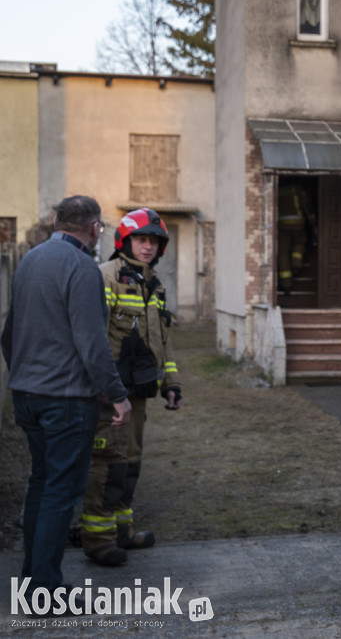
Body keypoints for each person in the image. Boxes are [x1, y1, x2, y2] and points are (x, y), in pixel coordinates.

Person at [1, 195, 131, 600]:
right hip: (66, 401)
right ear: (95, 229)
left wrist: (24, 374)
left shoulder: (29, 262)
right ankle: (44, 591)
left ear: (56, 221)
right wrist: (118, 396)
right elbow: (93, 345)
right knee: (61, 492)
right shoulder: (83, 268)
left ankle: (32, 580)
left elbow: (8, 334)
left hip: (26, 396)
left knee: (41, 483)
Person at [80, 208, 182, 565]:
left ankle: (121, 531)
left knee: (131, 463)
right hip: (110, 393)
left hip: (139, 391)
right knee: (107, 462)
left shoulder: (153, 283)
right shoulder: (105, 277)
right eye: (141, 239)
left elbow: (163, 340)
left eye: (154, 241)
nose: (148, 246)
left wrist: (171, 383)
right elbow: (94, 336)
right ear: (125, 241)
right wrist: (105, 386)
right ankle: (96, 538)